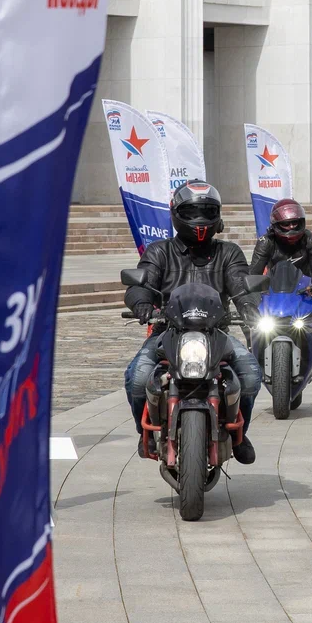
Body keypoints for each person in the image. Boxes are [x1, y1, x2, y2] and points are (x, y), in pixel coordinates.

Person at [123, 181, 263, 464]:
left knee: (250, 375)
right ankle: (144, 432)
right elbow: (141, 283)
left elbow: (240, 283)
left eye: (206, 211)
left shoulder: (229, 252)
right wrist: (141, 303)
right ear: (176, 213)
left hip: (216, 332)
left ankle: (239, 432)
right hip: (167, 331)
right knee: (137, 379)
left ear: (217, 214)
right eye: (191, 211)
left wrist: (248, 305)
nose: (199, 219)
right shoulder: (159, 251)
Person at [249, 198, 312, 373]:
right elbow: (254, 273)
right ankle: (252, 353)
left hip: (305, 291)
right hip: (273, 291)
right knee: (251, 318)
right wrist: (252, 295)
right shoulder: (265, 242)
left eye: (295, 223)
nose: (291, 227)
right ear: (276, 224)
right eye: (286, 224)